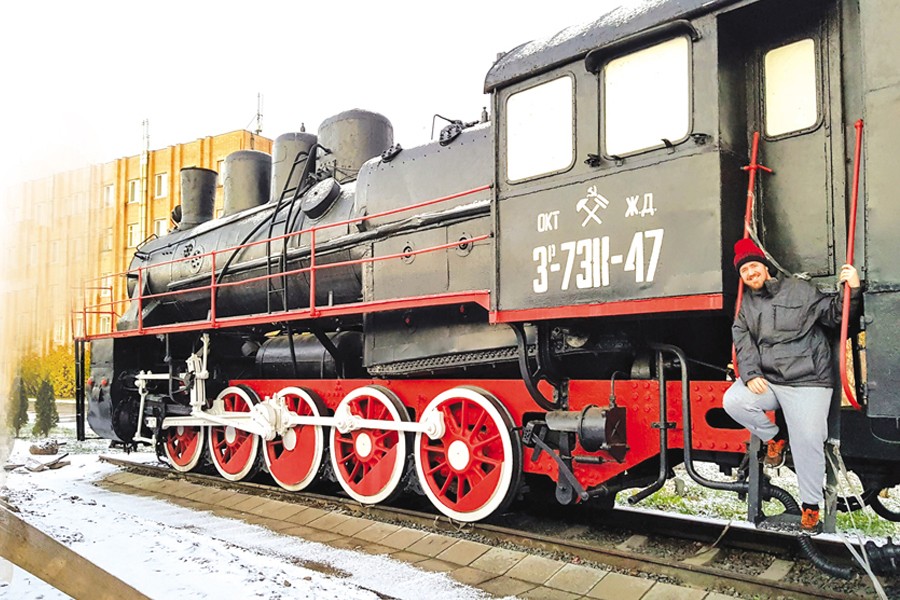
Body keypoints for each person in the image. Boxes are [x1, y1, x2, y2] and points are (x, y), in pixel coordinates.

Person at [723, 238, 861, 533]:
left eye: (753, 266)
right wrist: (749, 374)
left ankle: (810, 507)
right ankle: (775, 438)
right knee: (733, 400)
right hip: (771, 381)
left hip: (808, 379)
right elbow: (742, 340)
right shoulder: (746, 305)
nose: (750, 273)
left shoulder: (799, 289)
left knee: (809, 440)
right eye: (744, 270)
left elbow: (837, 315)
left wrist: (852, 288)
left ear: (765, 266)